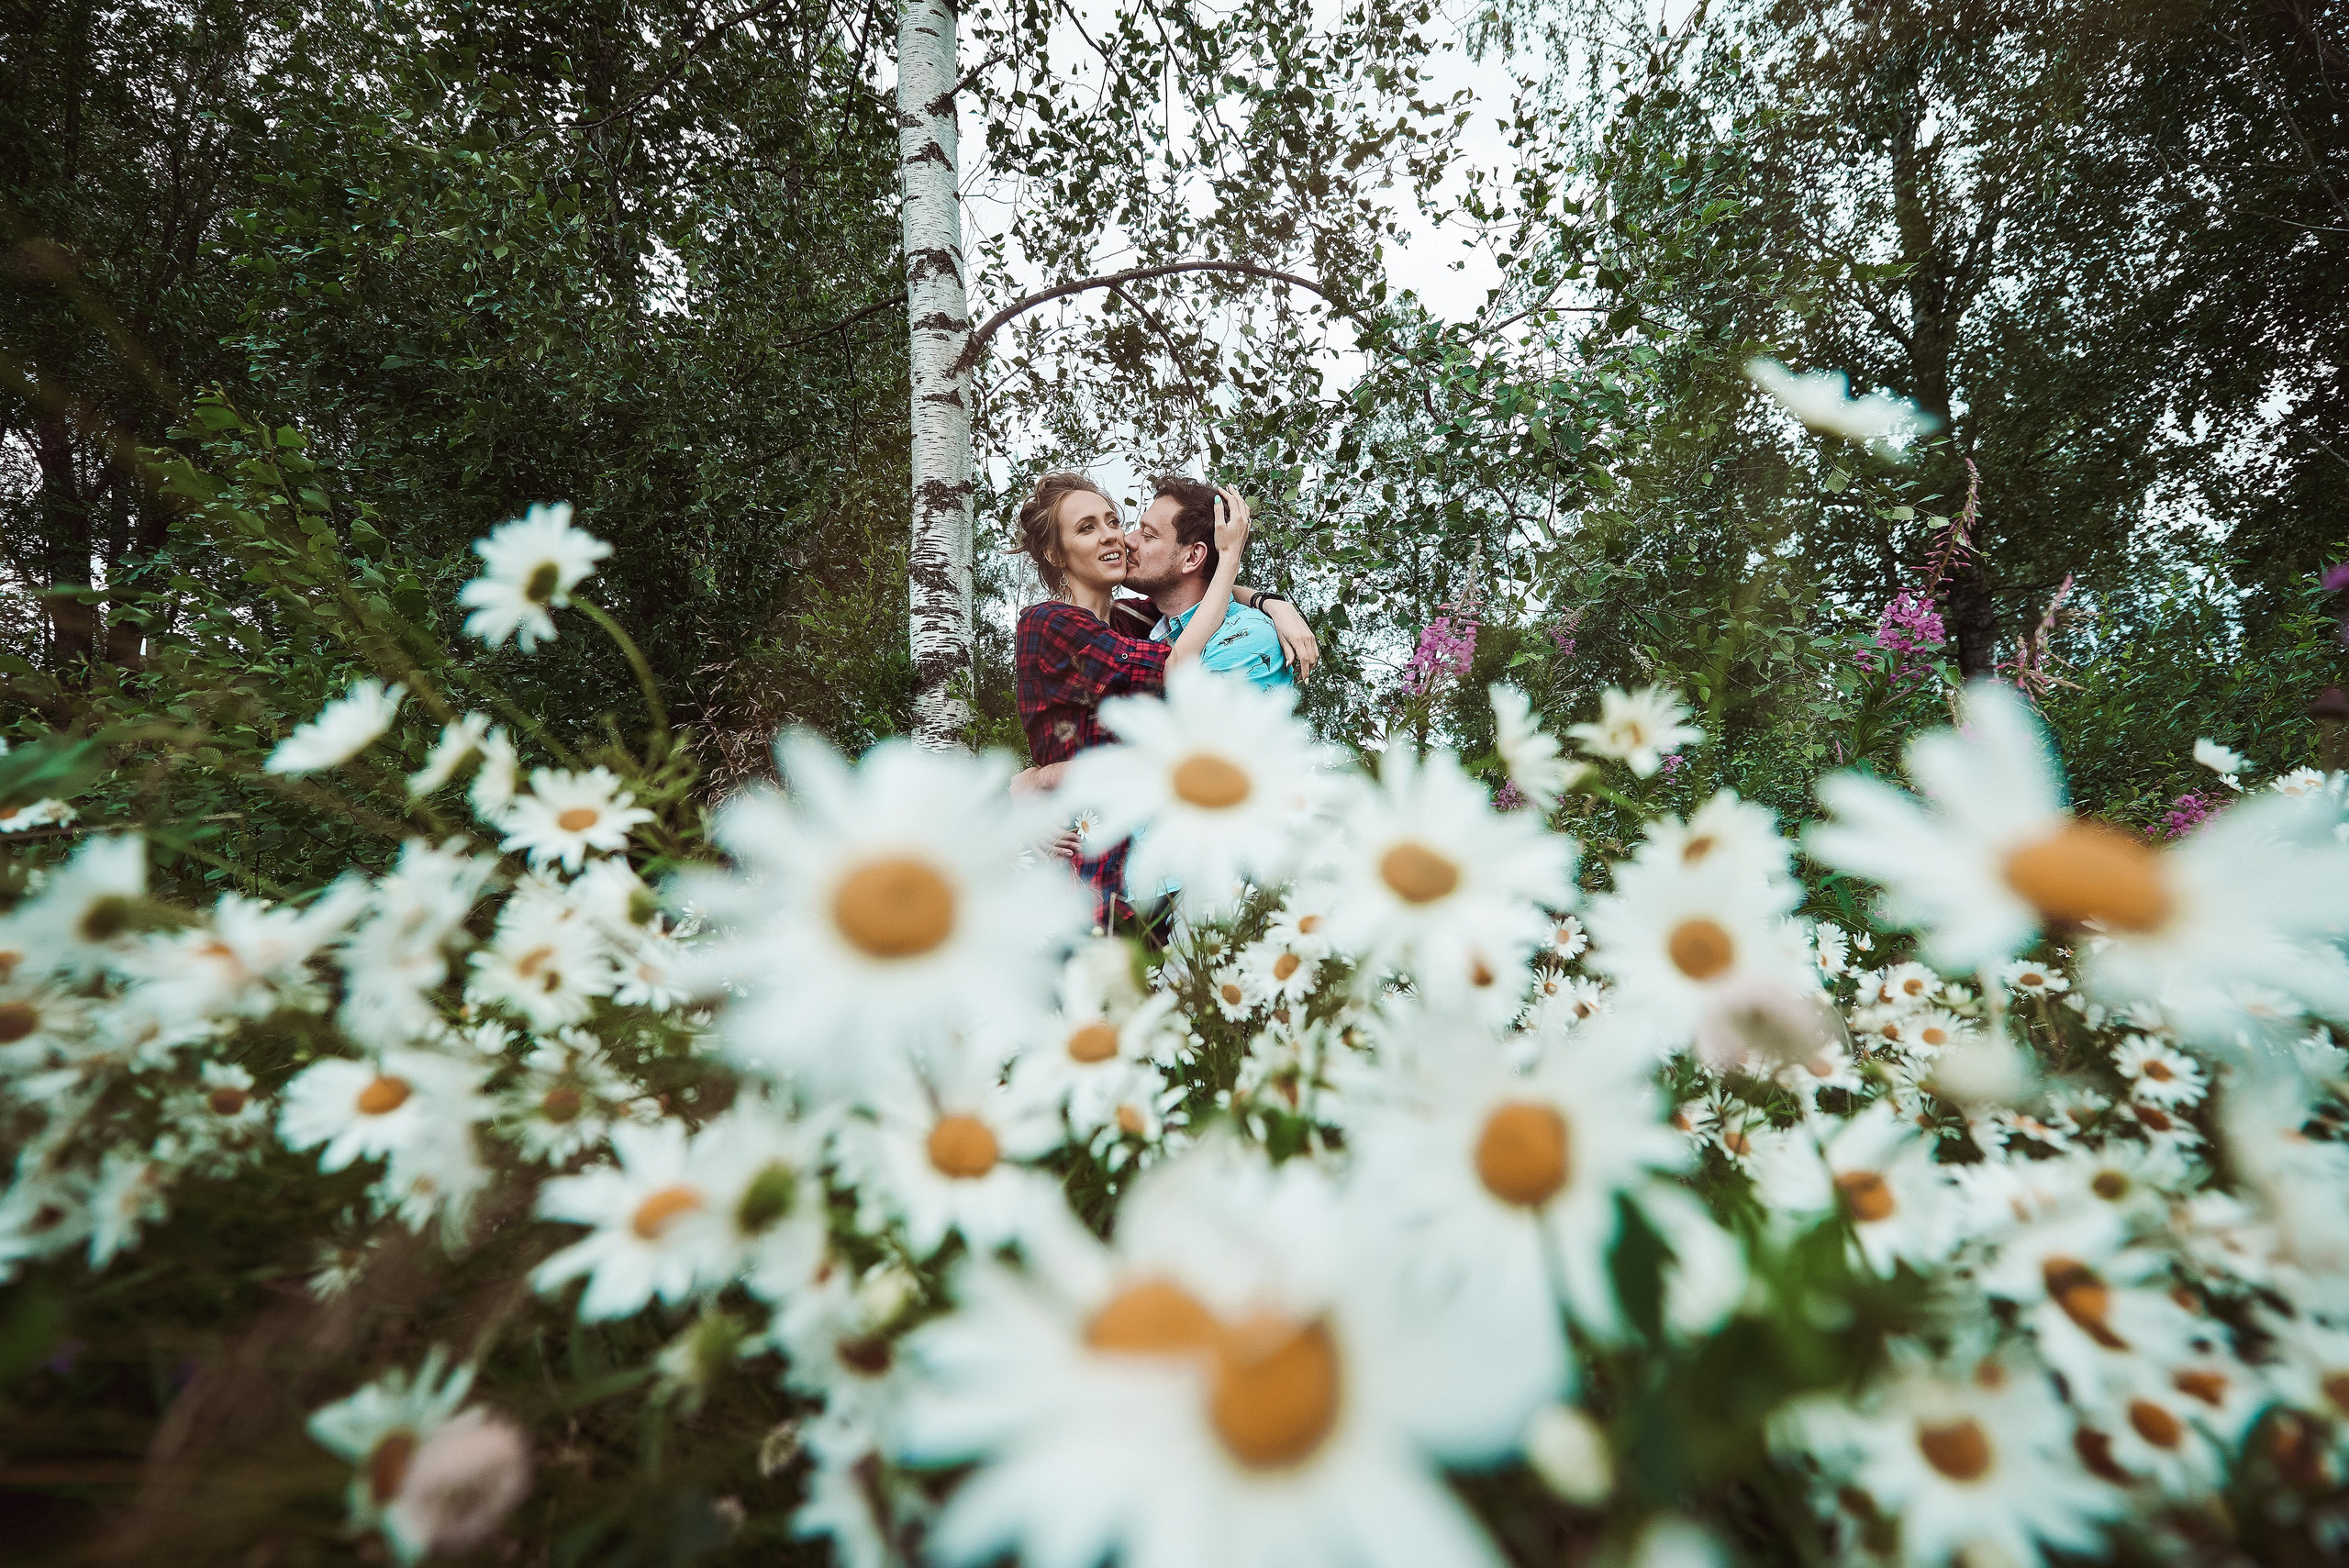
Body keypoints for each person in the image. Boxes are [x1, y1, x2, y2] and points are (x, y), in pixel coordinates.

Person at [1010, 472, 1252, 930]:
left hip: (1144, 863)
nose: (1112, 537)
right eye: (1086, 528)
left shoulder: (1131, 619)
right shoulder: (1047, 623)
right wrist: (1229, 557)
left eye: (1111, 520)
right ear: (1054, 553)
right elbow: (1174, 664)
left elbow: (1194, 599)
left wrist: (1270, 601)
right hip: (1083, 861)